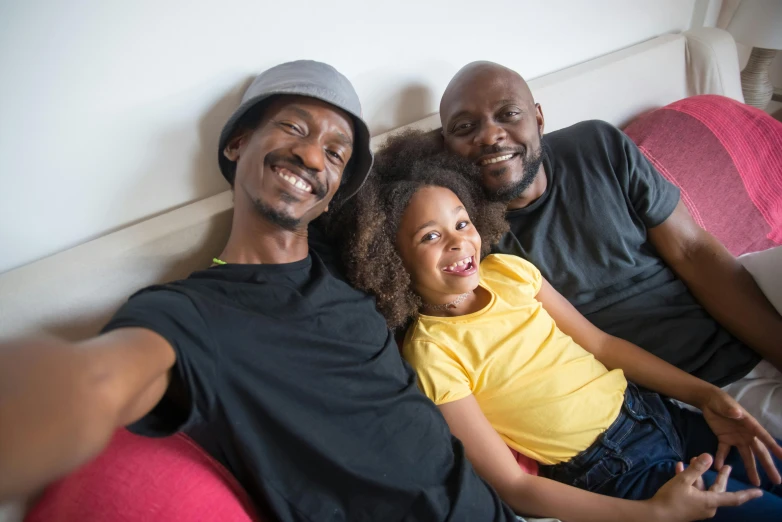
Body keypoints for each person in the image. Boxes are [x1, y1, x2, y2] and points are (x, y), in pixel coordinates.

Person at [0, 60, 528, 521]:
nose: (313, 157)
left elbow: (450, 184)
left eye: (336, 153)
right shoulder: (192, 313)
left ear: (334, 195)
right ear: (237, 143)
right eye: (294, 128)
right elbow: (95, 381)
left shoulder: (355, 261)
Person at [335, 129, 782, 521]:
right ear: (391, 261)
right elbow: (515, 488)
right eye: (430, 236)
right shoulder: (432, 355)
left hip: (663, 416)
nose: (459, 241)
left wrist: (705, 396)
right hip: (620, 476)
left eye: (462, 222)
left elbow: (603, 346)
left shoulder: (511, 273)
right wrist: (651, 515)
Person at [437, 61, 782, 438]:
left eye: (509, 114)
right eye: (465, 127)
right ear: (445, 147)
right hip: (682, 387)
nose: (490, 135)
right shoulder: (465, 237)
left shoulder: (597, 144)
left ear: (538, 118)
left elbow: (693, 251)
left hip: (740, 306)